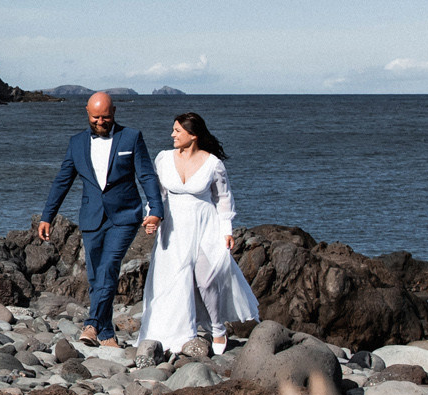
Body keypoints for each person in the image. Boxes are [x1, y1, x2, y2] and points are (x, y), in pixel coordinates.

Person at [34, 91, 165, 344]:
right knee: (95, 276)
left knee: (108, 267)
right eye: (96, 118)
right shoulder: (76, 143)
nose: (101, 122)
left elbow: (147, 176)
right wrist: (47, 216)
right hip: (92, 217)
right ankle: (107, 334)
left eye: (105, 117)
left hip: (124, 216)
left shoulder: (132, 138)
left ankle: (92, 324)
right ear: (87, 112)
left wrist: (156, 210)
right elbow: (62, 181)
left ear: (114, 112)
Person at [140, 111, 259, 354]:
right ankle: (178, 334)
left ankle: (217, 328)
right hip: (173, 228)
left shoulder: (213, 163)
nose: (172, 134)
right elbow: (157, 194)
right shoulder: (163, 158)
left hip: (206, 227)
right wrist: (152, 216)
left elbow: (224, 199)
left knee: (207, 279)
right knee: (174, 281)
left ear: (193, 136)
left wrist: (227, 230)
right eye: (173, 129)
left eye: (177, 131)